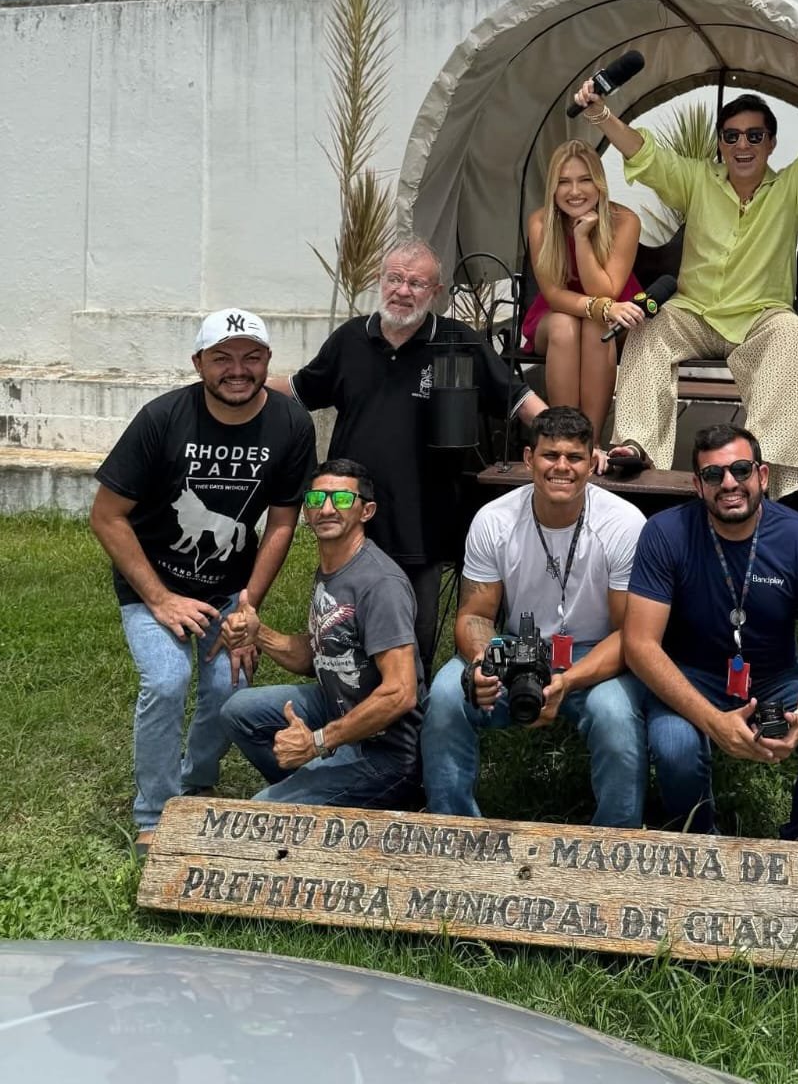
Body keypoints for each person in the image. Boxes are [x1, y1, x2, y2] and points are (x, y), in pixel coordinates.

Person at [574, 34, 798, 497]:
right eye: (732, 136)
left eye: (754, 136)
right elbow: (644, 154)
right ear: (720, 142)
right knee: (646, 326)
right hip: (693, 312)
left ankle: (764, 465)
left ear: (771, 143)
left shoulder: (793, 190)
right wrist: (599, 113)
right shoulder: (698, 180)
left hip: (759, 316)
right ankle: (636, 446)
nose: (743, 145)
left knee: (788, 330)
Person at [90, 309, 316, 854]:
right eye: (222, 358)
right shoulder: (162, 418)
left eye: (252, 357)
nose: (237, 369)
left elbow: (283, 521)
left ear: (267, 362)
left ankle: (198, 779)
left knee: (228, 687)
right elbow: (107, 515)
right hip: (154, 585)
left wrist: (248, 605)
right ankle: (155, 812)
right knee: (167, 682)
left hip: (226, 589)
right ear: (199, 363)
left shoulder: (291, 423)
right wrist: (161, 599)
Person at [272, 238, 545, 678]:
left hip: (424, 521)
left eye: (416, 283)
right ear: (381, 282)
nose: (403, 290)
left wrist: (568, 438)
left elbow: (518, 399)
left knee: (412, 641)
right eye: (395, 278)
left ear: (435, 292)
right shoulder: (349, 340)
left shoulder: (459, 342)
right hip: (350, 518)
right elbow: (302, 388)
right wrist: (239, 385)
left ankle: (406, 726)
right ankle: (344, 711)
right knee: (341, 637)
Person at [624, 423, 798, 840]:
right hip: (692, 672)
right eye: (714, 475)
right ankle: (700, 843)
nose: (729, 483)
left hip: (777, 676)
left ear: (763, 476)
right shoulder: (664, 533)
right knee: (675, 746)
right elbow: (640, 644)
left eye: (741, 470)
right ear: (698, 485)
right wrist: (714, 722)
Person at [422, 406, 647, 827]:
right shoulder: (494, 520)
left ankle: (617, 843)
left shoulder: (623, 524)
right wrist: (482, 663)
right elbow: (474, 614)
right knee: (448, 694)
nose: (561, 467)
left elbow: (630, 635)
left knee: (615, 715)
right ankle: (450, 829)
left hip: (595, 651)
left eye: (575, 457)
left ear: (592, 460)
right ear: (529, 459)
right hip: (516, 645)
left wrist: (568, 681)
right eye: (550, 456)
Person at [217, 460, 423, 807]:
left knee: (265, 811)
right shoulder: (334, 568)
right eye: (316, 499)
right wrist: (258, 633)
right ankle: (314, 788)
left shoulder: (380, 584)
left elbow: (401, 693)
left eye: (341, 499)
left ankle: (330, 795)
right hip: (338, 710)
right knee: (238, 711)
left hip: (386, 754)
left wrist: (317, 742)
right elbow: (318, 653)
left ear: (366, 511)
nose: (326, 509)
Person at [522, 138, 643, 443]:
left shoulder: (625, 221)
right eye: (564, 182)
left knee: (595, 325)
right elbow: (553, 295)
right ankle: (565, 440)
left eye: (584, 180)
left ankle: (590, 443)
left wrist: (583, 238)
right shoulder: (539, 222)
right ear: (553, 187)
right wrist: (600, 308)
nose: (574, 191)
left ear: (599, 183)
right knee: (565, 325)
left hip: (615, 313)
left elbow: (607, 291)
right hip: (556, 313)